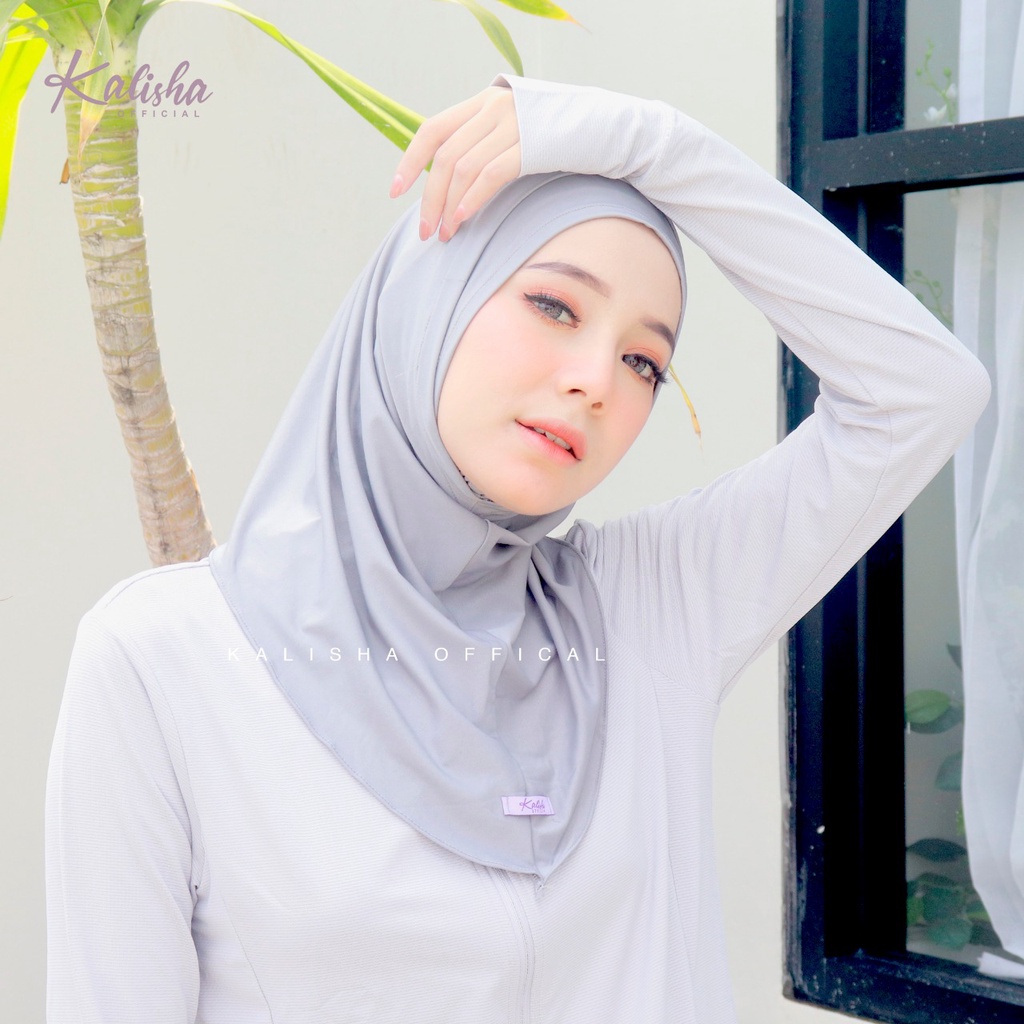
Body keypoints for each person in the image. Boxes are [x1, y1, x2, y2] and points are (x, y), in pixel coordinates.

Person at [45, 76, 990, 1023]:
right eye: (554, 306)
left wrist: (657, 143)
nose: (596, 382)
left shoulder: (645, 612)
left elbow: (922, 393)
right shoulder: (164, 663)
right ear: (430, 301)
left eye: (644, 361)